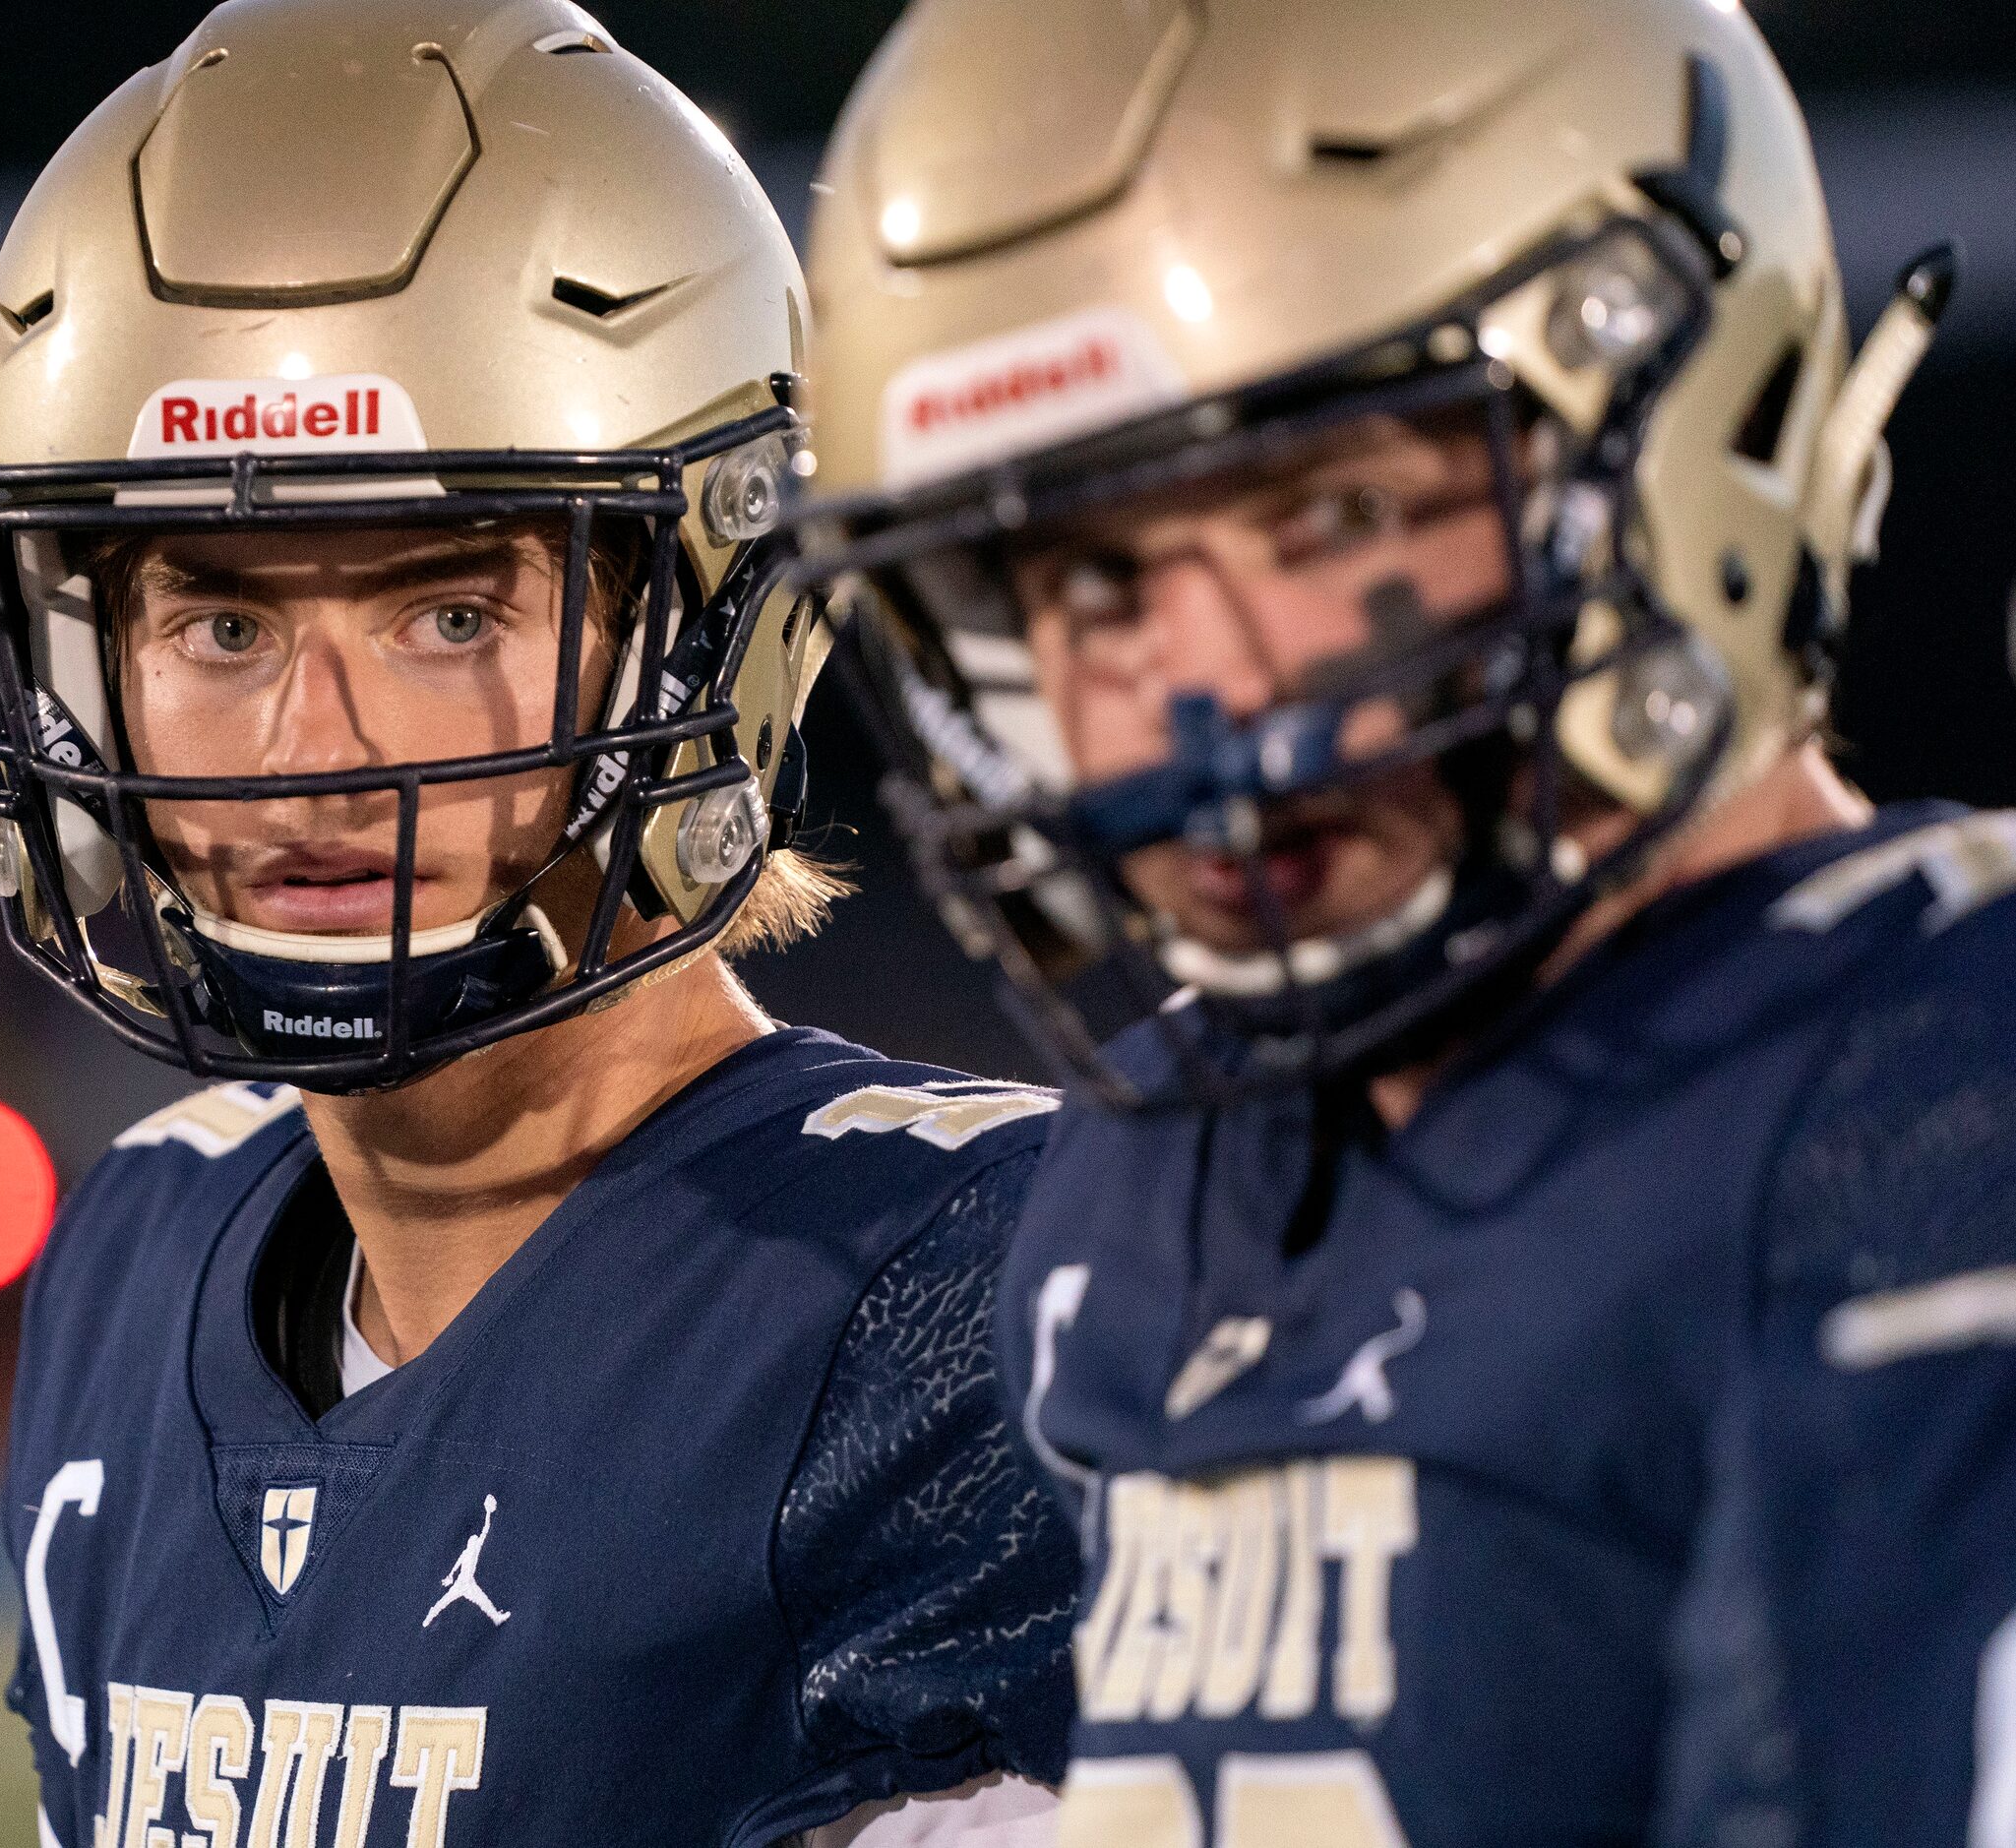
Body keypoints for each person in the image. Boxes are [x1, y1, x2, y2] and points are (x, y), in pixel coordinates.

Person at [789, 0, 2010, 1842]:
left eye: (1333, 512)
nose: (1196, 691)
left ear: (1683, 423)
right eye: (1089, 574)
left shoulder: (1923, 1082)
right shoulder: (1145, 1169)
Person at [0, 2, 1077, 1843]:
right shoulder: (144, 1243)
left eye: (446, 614)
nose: (312, 758)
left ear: (710, 627)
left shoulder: (963, 1298)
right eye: (220, 627)